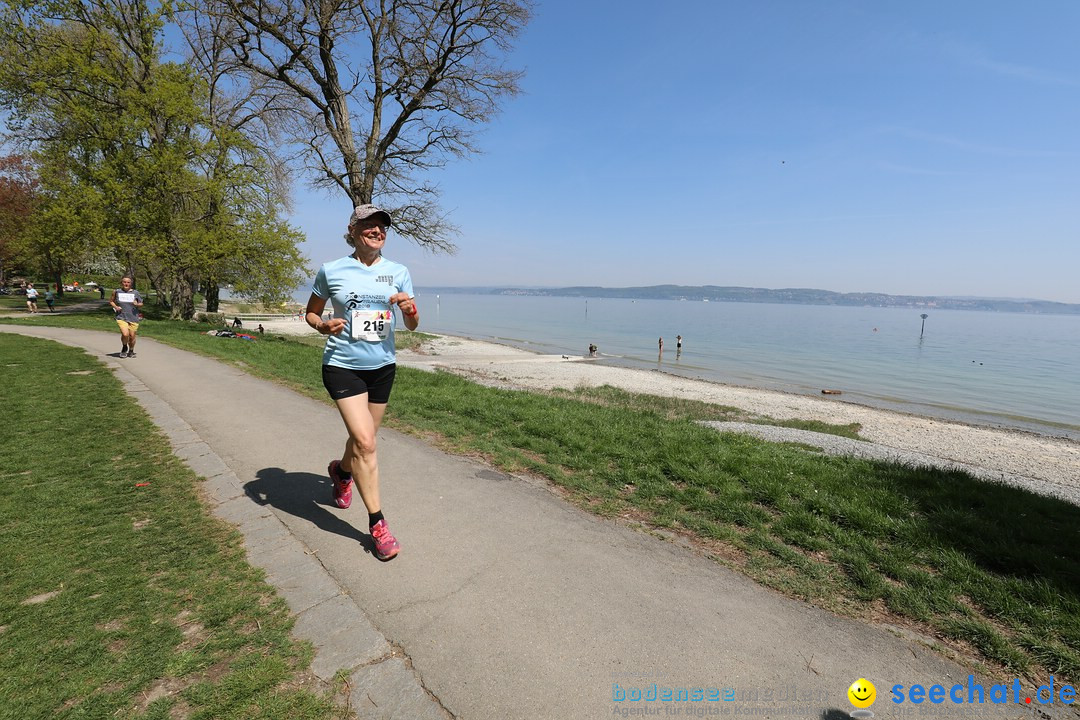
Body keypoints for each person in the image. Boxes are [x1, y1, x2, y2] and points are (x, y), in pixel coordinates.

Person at [305, 204, 419, 561]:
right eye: (369, 225)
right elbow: (310, 311)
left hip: (382, 366)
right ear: (353, 230)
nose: (377, 231)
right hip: (342, 365)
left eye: (382, 226)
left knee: (361, 440)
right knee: (367, 443)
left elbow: (413, 325)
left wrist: (410, 311)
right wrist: (322, 325)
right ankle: (378, 524)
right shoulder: (332, 270)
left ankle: (340, 472)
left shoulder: (398, 272)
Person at [110, 276, 144, 358]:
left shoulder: (135, 293)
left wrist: (137, 304)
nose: (126, 284)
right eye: (124, 282)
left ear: (131, 283)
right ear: (121, 283)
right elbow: (111, 301)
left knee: (132, 337)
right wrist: (116, 307)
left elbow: (141, 303)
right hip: (121, 316)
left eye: (128, 282)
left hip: (133, 317)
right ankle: (124, 347)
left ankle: (131, 350)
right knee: (125, 334)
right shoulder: (117, 291)